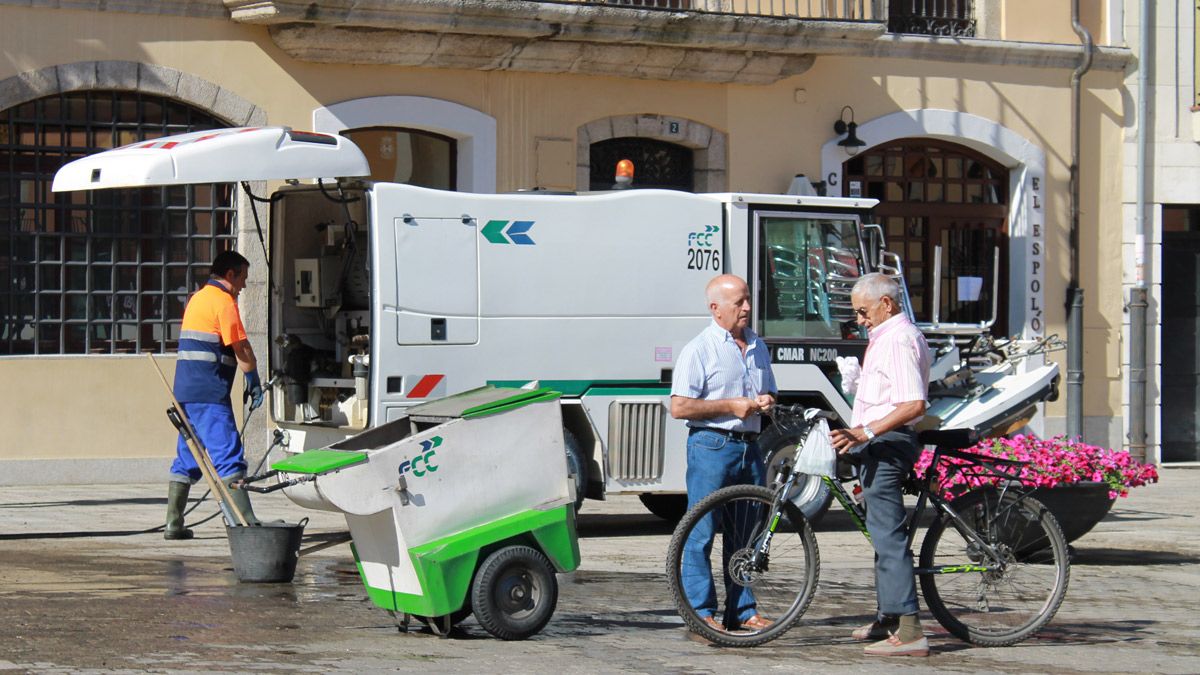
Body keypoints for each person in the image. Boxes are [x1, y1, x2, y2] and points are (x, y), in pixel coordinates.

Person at [830, 273, 932, 657]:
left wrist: (865, 432)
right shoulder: (884, 339)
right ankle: (890, 615)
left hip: (888, 445)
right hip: (879, 442)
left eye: (862, 310)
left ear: (886, 304)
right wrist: (856, 385)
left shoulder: (899, 339)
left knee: (888, 535)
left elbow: (912, 404)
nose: (859, 318)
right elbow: (887, 395)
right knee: (880, 531)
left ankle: (910, 631)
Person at [670, 274, 777, 633]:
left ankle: (743, 611)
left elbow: (771, 392)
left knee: (746, 535)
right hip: (712, 447)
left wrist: (766, 402)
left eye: (748, 300)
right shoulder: (698, 349)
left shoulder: (758, 345)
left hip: (750, 448)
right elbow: (680, 407)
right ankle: (700, 612)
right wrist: (730, 406)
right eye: (739, 303)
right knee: (700, 532)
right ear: (716, 309)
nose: (747, 308)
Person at [164, 250, 265, 539]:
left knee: (188, 456)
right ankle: (246, 523)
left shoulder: (197, 299)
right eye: (243, 278)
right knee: (228, 455)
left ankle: (174, 523)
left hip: (185, 392)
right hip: (209, 394)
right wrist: (253, 377)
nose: (244, 286)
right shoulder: (223, 301)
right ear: (230, 274)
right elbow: (240, 346)